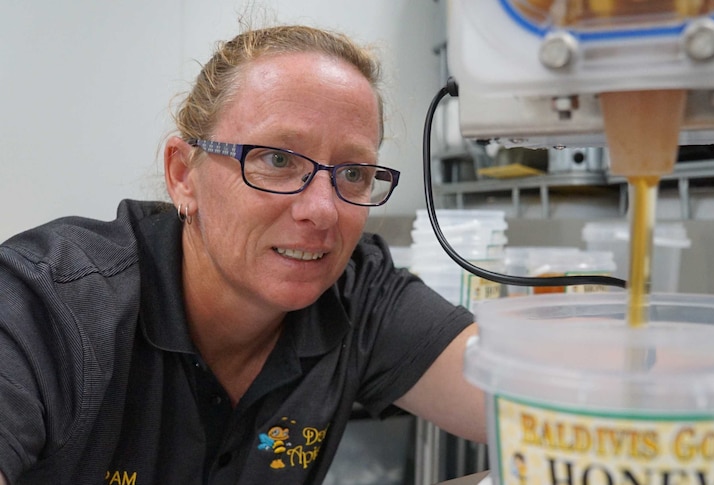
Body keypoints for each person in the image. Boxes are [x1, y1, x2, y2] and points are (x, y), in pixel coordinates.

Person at [0, 24, 485, 484]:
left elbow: (525, 402)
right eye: (277, 159)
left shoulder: (357, 294)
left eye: (354, 173)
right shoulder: (49, 304)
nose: (322, 211)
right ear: (183, 176)